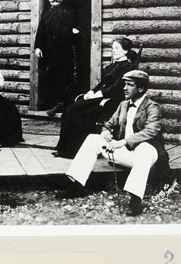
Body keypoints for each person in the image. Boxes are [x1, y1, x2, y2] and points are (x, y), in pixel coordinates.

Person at [66, 70, 168, 216]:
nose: (124, 88)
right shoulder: (124, 105)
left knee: (145, 149)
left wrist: (123, 142)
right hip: (125, 154)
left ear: (141, 88)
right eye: (124, 84)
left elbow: (151, 131)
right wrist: (105, 132)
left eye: (129, 85)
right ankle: (76, 184)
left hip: (146, 155)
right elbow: (109, 124)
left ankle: (135, 200)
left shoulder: (153, 107)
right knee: (93, 139)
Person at [53, 37, 135, 158]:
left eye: (117, 48)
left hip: (112, 100)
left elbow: (117, 87)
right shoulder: (111, 67)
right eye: (113, 48)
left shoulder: (126, 67)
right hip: (101, 97)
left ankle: (73, 151)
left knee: (76, 112)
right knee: (68, 110)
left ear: (126, 51)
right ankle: (64, 148)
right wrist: (91, 92)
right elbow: (102, 84)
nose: (113, 50)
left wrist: (99, 94)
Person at [34, 0, 80, 115]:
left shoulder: (69, 12)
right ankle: (52, 104)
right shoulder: (46, 13)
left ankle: (64, 105)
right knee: (50, 78)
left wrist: (74, 33)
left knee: (65, 78)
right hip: (49, 53)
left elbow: (77, 31)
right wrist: (37, 47)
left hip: (65, 52)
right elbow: (40, 31)